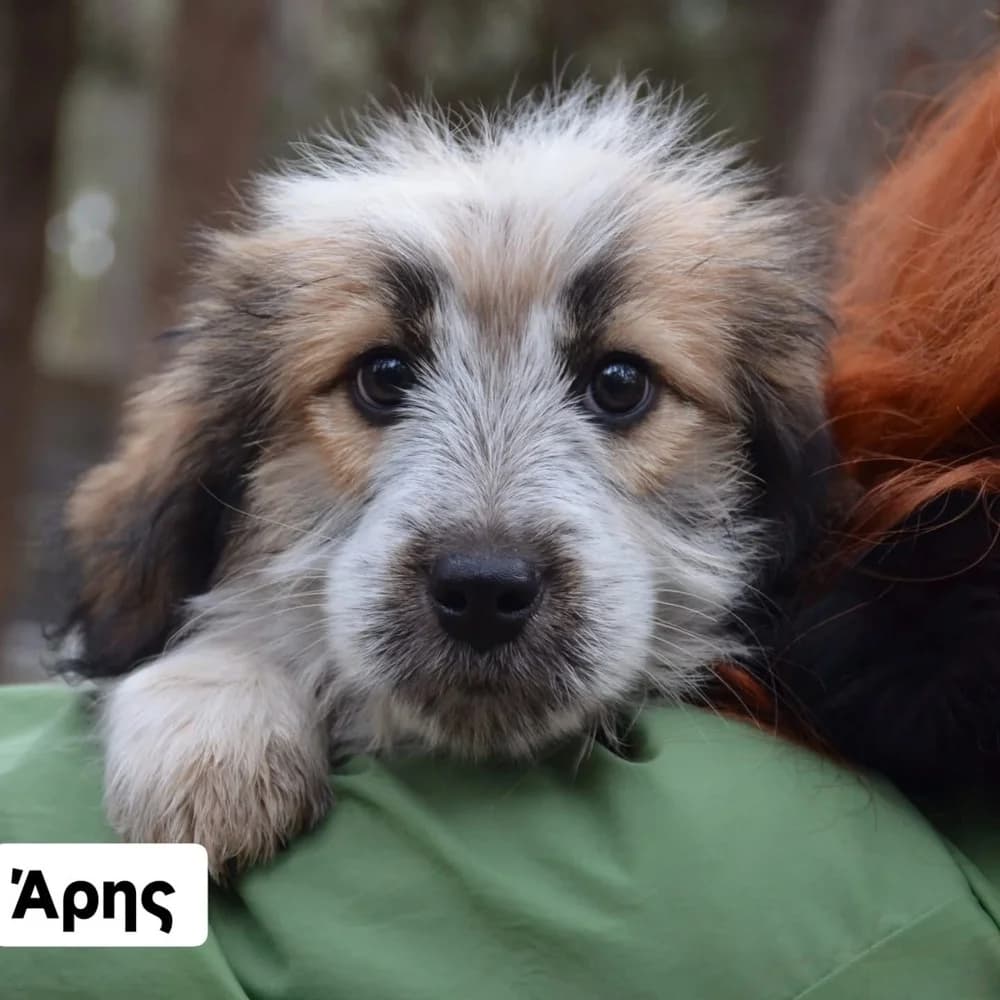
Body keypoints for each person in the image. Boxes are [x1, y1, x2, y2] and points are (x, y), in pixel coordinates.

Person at [4, 62, 1000, 999]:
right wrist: (213, 671)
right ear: (221, 468)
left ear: (776, 474)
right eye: (380, 380)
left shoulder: (784, 865)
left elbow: (65, 910)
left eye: (619, 387)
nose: (486, 551)